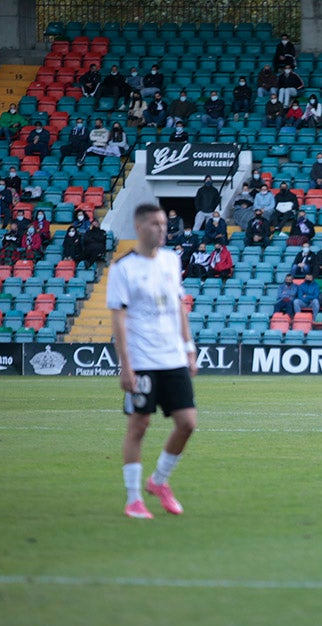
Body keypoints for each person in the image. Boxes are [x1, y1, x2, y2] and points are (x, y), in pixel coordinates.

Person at [107, 203, 197, 519]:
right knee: (139, 425)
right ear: (140, 227)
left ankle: (158, 481)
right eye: (156, 224)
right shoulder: (123, 268)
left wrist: (189, 347)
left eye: (164, 224)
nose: (163, 229)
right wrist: (125, 365)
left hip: (171, 356)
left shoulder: (172, 260)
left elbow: (178, 305)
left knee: (187, 423)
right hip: (143, 359)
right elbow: (118, 320)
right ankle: (133, 498)